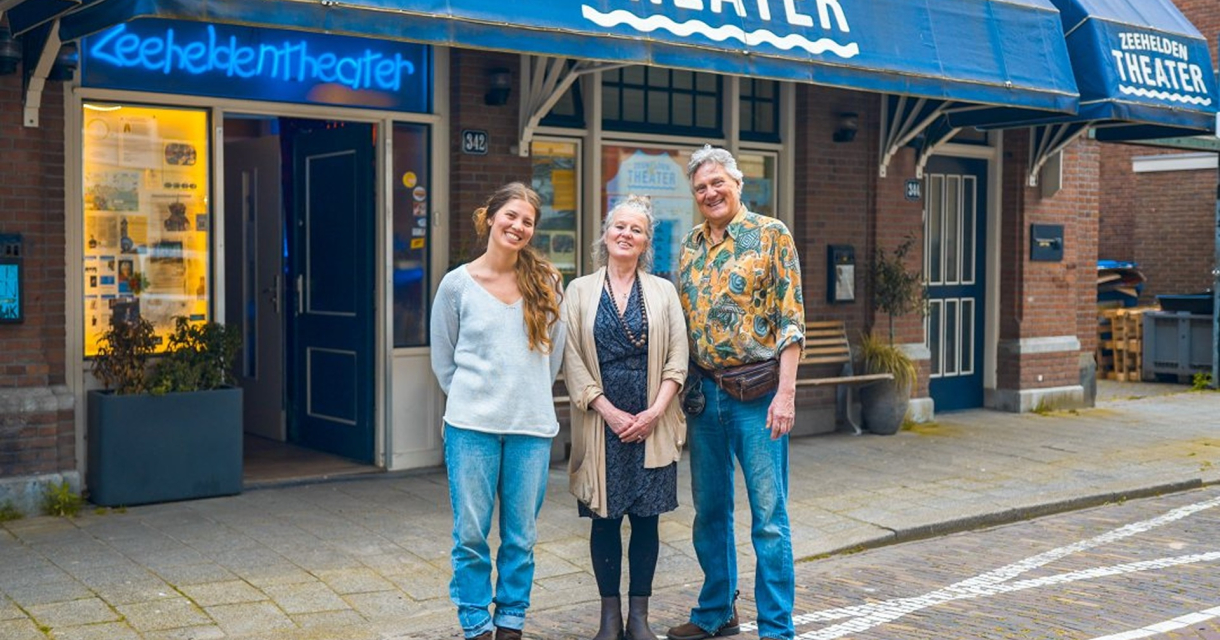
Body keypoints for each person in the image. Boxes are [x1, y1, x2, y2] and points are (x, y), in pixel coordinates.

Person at [667, 146, 805, 640]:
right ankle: (717, 611)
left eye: (717, 183)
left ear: (737, 183)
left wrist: (785, 394)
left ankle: (776, 628)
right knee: (710, 512)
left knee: (769, 517)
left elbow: (791, 321)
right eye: (700, 188)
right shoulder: (689, 246)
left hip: (758, 396)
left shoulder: (771, 235)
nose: (709, 193)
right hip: (705, 397)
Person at [430, 182, 566, 640]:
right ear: (490, 216)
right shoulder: (457, 285)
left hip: (531, 429)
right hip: (471, 429)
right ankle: (474, 621)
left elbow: (555, 355)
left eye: (528, 221)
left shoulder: (546, 283)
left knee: (521, 537)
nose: (519, 226)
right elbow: (443, 360)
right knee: (470, 533)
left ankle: (511, 619)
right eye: (511, 215)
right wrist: (476, 399)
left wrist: (523, 394)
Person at [563, 195, 688, 640]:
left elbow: (678, 356)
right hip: (602, 423)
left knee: (648, 519)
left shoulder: (663, 291)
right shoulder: (578, 290)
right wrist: (607, 410)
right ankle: (609, 620)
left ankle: (639, 619)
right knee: (605, 519)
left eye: (635, 229)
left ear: (645, 242)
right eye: (619, 226)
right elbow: (571, 358)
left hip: (652, 421)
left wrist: (655, 412)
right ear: (605, 233)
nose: (625, 234)